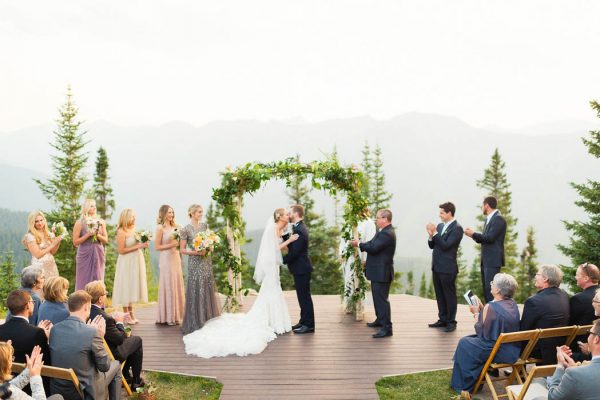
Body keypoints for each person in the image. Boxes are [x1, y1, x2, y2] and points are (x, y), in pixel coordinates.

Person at [183, 208, 298, 358]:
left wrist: (286, 238)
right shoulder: (274, 228)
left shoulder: (278, 229)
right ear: (279, 217)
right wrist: (289, 240)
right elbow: (274, 248)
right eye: (285, 215)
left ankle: (275, 319)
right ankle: (273, 320)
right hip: (271, 265)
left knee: (272, 290)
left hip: (273, 264)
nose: (288, 217)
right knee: (272, 289)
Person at [450, 273, 520, 398]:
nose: (491, 284)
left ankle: (463, 385)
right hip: (511, 349)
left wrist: (476, 313)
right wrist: (483, 310)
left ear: (498, 289)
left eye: (492, 282)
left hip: (496, 350)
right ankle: (475, 380)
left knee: (464, 343)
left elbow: (481, 331)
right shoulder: (512, 304)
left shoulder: (491, 306)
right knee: (468, 341)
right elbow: (494, 322)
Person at [49, 290, 121, 400]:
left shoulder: (54, 329)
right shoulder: (91, 332)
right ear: (86, 307)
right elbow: (104, 366)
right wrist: (100, 338)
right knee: (116, 364)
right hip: (85, 390)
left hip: (59, 389)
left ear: (69, 308)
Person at [85, 281, 145, 391]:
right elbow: (120, 340)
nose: (106, 295)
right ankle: (136, 382)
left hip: (92, 352)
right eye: (105, 293)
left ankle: (126, 376)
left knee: (132, 340)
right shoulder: (105, 318)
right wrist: (119, 322)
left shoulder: (85, 311)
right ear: (100, 299)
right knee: (137, 340)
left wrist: (112, 320)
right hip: (110, 355)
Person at [351, 208, 397, 338]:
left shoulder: (387, 233)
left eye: (378, 217)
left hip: (382, 272)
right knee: (377, 298)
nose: (375, 220)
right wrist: (362, 243)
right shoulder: (382, 231)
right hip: (377, 271)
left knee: (382, 300)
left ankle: (387, 328)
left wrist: (358, 244)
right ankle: (380, 320)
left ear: (385, 219)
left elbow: (374, 248)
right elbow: (371, 243)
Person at [180, 204, 221, 335]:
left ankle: (208, 318)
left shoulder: (205, 226)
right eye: (199, 212)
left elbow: (210, 242)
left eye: (202, 212)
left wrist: (209, 248)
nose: (201, 214)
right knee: (196, 288)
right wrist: (196, 253)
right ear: (192, 213)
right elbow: (182, 250)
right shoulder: (185, 230)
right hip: (194, 262)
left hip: (206, 261)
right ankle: (196, 320)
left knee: (207, 286)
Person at [520, 264, 570, 365]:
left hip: (540, 351)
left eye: (537, 274)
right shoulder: (564, 295)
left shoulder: (533, 301)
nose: (535, 277)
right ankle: (520, 373)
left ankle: (519, 373)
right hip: (560, 346)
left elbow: (524, 330)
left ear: (545, 279)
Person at [426, 202, 464, 332]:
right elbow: (433, 246)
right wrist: (431, 235)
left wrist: (435, 233)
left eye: (442, 212)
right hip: (436, 266)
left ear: (449, 213)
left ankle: (451, 321)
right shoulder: (441, 226)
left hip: (448, 267)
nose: (439, 215)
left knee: (449, 294)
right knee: (440, 294)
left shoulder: (457, 228)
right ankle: (442, 319)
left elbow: (446, 245)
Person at [464, 196, 507, 303]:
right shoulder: (489, 219)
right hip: (486, 260)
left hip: (493, 260)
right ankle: (488, 315)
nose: (482, 208)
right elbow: (484, 239)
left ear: (486, 205)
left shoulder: (498, 219)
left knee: (491, 290)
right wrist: (472, 235)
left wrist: (473, 233)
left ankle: (493, 316)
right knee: (486, 289)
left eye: (482, 206)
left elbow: (490, 238)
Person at [547, 319, 600, 400]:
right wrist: (575, 368)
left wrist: (560, 365)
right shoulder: (576, 372)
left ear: (596, 339)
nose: (588, 337)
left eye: (589, 333)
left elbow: (553, 397)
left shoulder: (574, 374)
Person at [112, 208, 148, 324]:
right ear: (126, 218)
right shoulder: (121, 231)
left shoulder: (134, 230)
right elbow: (121, 250)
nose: (134, 218)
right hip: (126, 261)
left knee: (132, 286)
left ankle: (132, 313)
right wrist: (139, 246)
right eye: (132, 216)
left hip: (135, 260)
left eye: (134, 216)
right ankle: (126, 315)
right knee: (126, 285)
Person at [0, 290, 51, 365]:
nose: (33, 304)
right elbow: (45, 361)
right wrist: (43, 335)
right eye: (32, 301)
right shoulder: (37, 333)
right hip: (28, 375)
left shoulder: (1, 329)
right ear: (27, 305)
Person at [339, 210, 376, 312]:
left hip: (360, 255)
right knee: (348, 279)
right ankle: (349, 305)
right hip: (349, 257)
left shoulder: (369, 223)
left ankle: (360, 306)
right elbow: (343, 239)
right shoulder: (349, 222)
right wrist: (341, 252)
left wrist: (365, 259)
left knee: (360, 282)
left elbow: (370, 241)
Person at [154, 205, 185, 326]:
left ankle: (177, 316)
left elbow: (180, 243)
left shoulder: (177, 227)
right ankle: (168, 317)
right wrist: (172, 245)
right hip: (166, 258)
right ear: (163, 214)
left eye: (172, 212)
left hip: (176, 257)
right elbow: (157, 247)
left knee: (176, 284)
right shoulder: (160, 228)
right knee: (168, 284)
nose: (171, 215)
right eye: (169, 212)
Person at [73, 199, 108, 290]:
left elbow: (105, 240)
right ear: (86, 208)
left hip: (98, 252)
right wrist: (88, 234)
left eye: (95, 205)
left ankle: (97, 301)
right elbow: (75, 242)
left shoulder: (101, 222)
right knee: (83, 278)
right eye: (91, 206)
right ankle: (82, 301)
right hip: (84, 253)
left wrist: (97, 235)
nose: (94, 207)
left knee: (98, 277)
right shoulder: (80, 222)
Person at [22, 211, 62, 280]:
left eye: (41, 220)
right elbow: (38, 255)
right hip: (39, 268)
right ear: (32, 223)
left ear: (44, 220)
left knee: (53, 288)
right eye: (36, 221)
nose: (40, 223)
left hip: (51, 266)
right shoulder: (30, 236)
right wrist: (52, 244)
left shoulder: (48, 233)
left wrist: (58, 242)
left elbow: (52, 252)